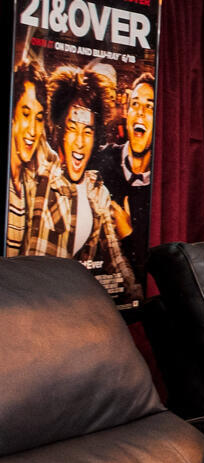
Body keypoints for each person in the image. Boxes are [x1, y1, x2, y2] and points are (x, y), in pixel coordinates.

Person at [31, 65, 139, 300]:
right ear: (59, 130)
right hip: (30, 309)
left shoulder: (96, 191)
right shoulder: (42, 175)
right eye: (72, 128)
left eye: (87, 131)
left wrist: (140, 301)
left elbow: (118, 266)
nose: (79, 142)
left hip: (72, 313)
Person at [99, 67, 154, 254]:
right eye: (135, 104)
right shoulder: (101, 159)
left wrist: (128, 235)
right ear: (127, 112)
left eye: (149, 106)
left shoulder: (162, 190)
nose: (140, 112)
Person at [7, 59, 50, 256]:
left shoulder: (28, 183)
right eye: (25, 114)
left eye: (39, 118)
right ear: (12, 114)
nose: (32, 130)